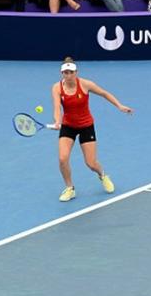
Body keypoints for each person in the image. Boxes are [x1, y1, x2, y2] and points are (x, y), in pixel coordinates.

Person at [50, 57, 133, 202]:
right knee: (62, 159)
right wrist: (57, 121)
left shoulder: (86, 84)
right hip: (68, 126)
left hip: (86, 126)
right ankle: (70, 188)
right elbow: (57, 107)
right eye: (65, 73)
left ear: (76, 72)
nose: (68, 75)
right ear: (61, 73)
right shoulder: (57, 87)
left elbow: (104, 93)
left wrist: (119, 106)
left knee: (91, 163)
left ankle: (102, 175)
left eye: (71, 72)